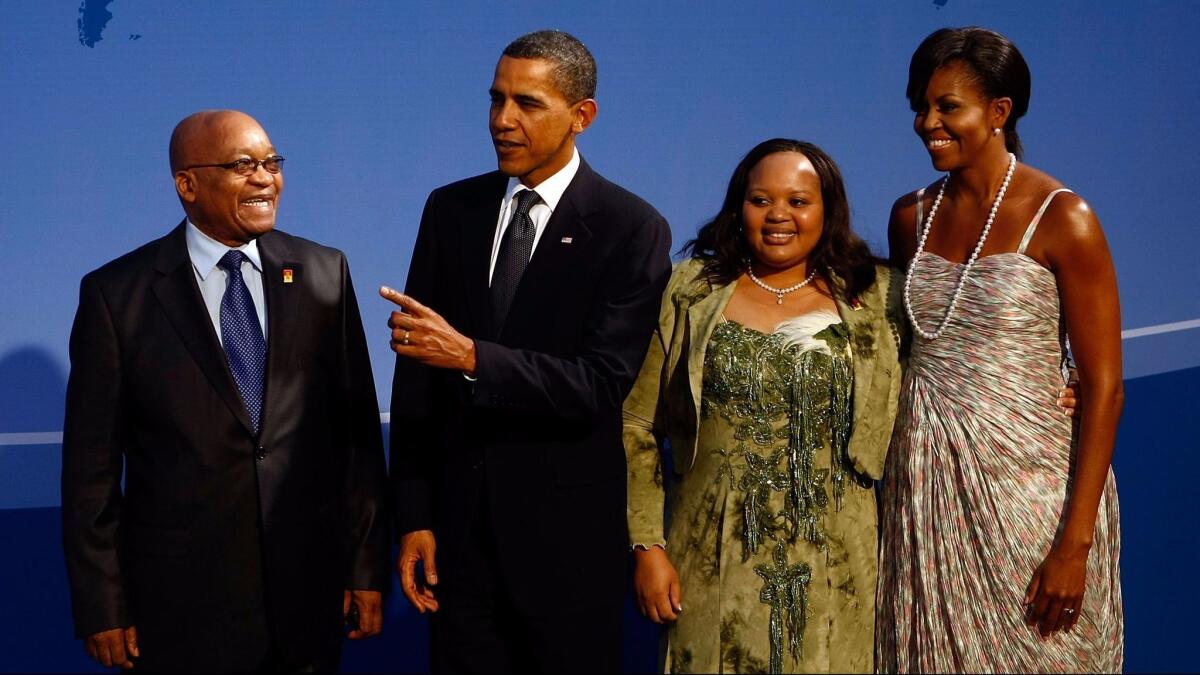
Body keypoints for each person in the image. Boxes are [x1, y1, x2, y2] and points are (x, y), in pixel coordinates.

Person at [382, 30, 672, 673]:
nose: (503, 121)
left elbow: (598, 386)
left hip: (567, 549)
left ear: (582, 115)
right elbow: (415, 380)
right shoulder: (450, 209)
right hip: (459, 546)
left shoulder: (632, 227)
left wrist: (473, 358)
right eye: (496, 100)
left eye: (527, 104)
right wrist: (414, 515)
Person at [61, 110, 390, 673]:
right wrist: (103, 606)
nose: (265, 178)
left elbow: (354, 437)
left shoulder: (322, 271)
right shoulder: (117, 296)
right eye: (242, 166)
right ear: (187, 184)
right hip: (181, 607)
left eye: (271, 163)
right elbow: (90, 473)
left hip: (307, 596)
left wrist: (364, 569)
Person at [877, 27, 1124, 673]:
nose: (928, 123)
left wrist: (1076, 543)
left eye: (946, 107)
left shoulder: (1064, 216)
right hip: (926, 495)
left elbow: (1104, 388)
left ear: (998, 112)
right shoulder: (911, 215)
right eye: (920, 107)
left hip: (1030, 493)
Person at [624, 138, 904, 674]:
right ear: (738, 208)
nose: (779, 215)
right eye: (760, 200)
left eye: (798, 202)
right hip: (709, 560)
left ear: (828, 210)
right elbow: (638, 422)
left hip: (841, 566)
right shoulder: (691, 290)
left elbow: (943, 380)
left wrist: (1061, 381)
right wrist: (646, 546)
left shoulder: (879, 296)